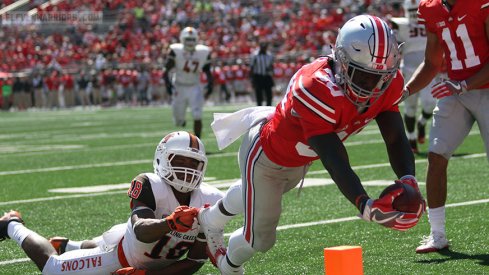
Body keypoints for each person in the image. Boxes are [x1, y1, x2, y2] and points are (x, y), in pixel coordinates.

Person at [198, 15, 426, 275]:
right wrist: (364, 204)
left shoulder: (387, 84)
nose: (373, 87)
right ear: (341, 61)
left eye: (381, 77)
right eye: (363, 77)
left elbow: (395, 137)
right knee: (260, 240)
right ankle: (228, 267)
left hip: (298, 160)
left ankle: (210, 218)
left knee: (259, 195)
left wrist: (409, 179)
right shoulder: (315, 86)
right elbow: (334, 158)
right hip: (266, 157)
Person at [0, 131, 223, 274]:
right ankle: (12, 225)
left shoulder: (210, 198)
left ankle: (68, 245)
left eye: (193, 163)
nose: (187, 169)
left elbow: (195, 259)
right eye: (180, 160)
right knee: (52, 269)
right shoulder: (149, 183)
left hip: (139, 252)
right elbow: (141, 231)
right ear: (162, 159)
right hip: (119, 254)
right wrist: (170, 223)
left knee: (98, 243)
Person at [400, 0, 489, 253]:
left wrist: (463, 85)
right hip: (455, 88)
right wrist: (405, 92)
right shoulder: (430, 9)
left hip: (484, 88)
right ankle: (437, 234)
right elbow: (431, 63)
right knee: (436, 155)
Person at [390, 0, 438, 153]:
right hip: (408, 69)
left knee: (430, 103)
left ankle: (422, 123)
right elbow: (395, 47)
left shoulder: (430, 21)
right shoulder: (400, 24)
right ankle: (411, 138)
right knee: (410, 107)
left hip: (427, 68)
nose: (413, 13)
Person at [163, 26, 213, 138]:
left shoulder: (202, 52)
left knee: (197, 115)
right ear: (182, 39)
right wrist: (168, 85)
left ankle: (198, 143)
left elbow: (207, 70)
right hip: (179, 86)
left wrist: (210, 85)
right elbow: (166, 70)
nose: (190, 42)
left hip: (195, 86)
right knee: (178, 120)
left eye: (192, 39)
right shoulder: (176, 50)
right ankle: (181, 121)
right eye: (187, 39)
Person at [249, 41, 275, 106]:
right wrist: (252, 79)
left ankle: (268, 107)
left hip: (267, 76)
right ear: (260, 47)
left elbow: (271, 66)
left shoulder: (269, 55)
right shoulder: (255, 55)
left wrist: (271, 71)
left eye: (265, 47)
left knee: (269, 93)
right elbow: (251, 67)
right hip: (258, 76)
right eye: (262, 47)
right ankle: (259, 107)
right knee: (258, 93)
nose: (264, 49)